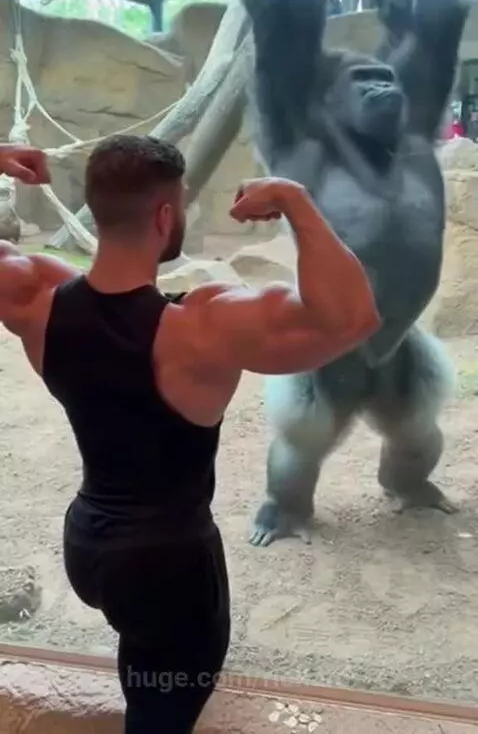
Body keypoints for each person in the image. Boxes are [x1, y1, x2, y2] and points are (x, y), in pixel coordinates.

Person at [0, 135, 380, 733]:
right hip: (168, 568)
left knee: (144, 661)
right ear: (164, 216)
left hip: (89, 544)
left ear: (97, 209)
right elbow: (351, 317)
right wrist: (297, 202)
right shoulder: (201, 328)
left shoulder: (35, 294)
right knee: (160, 715)